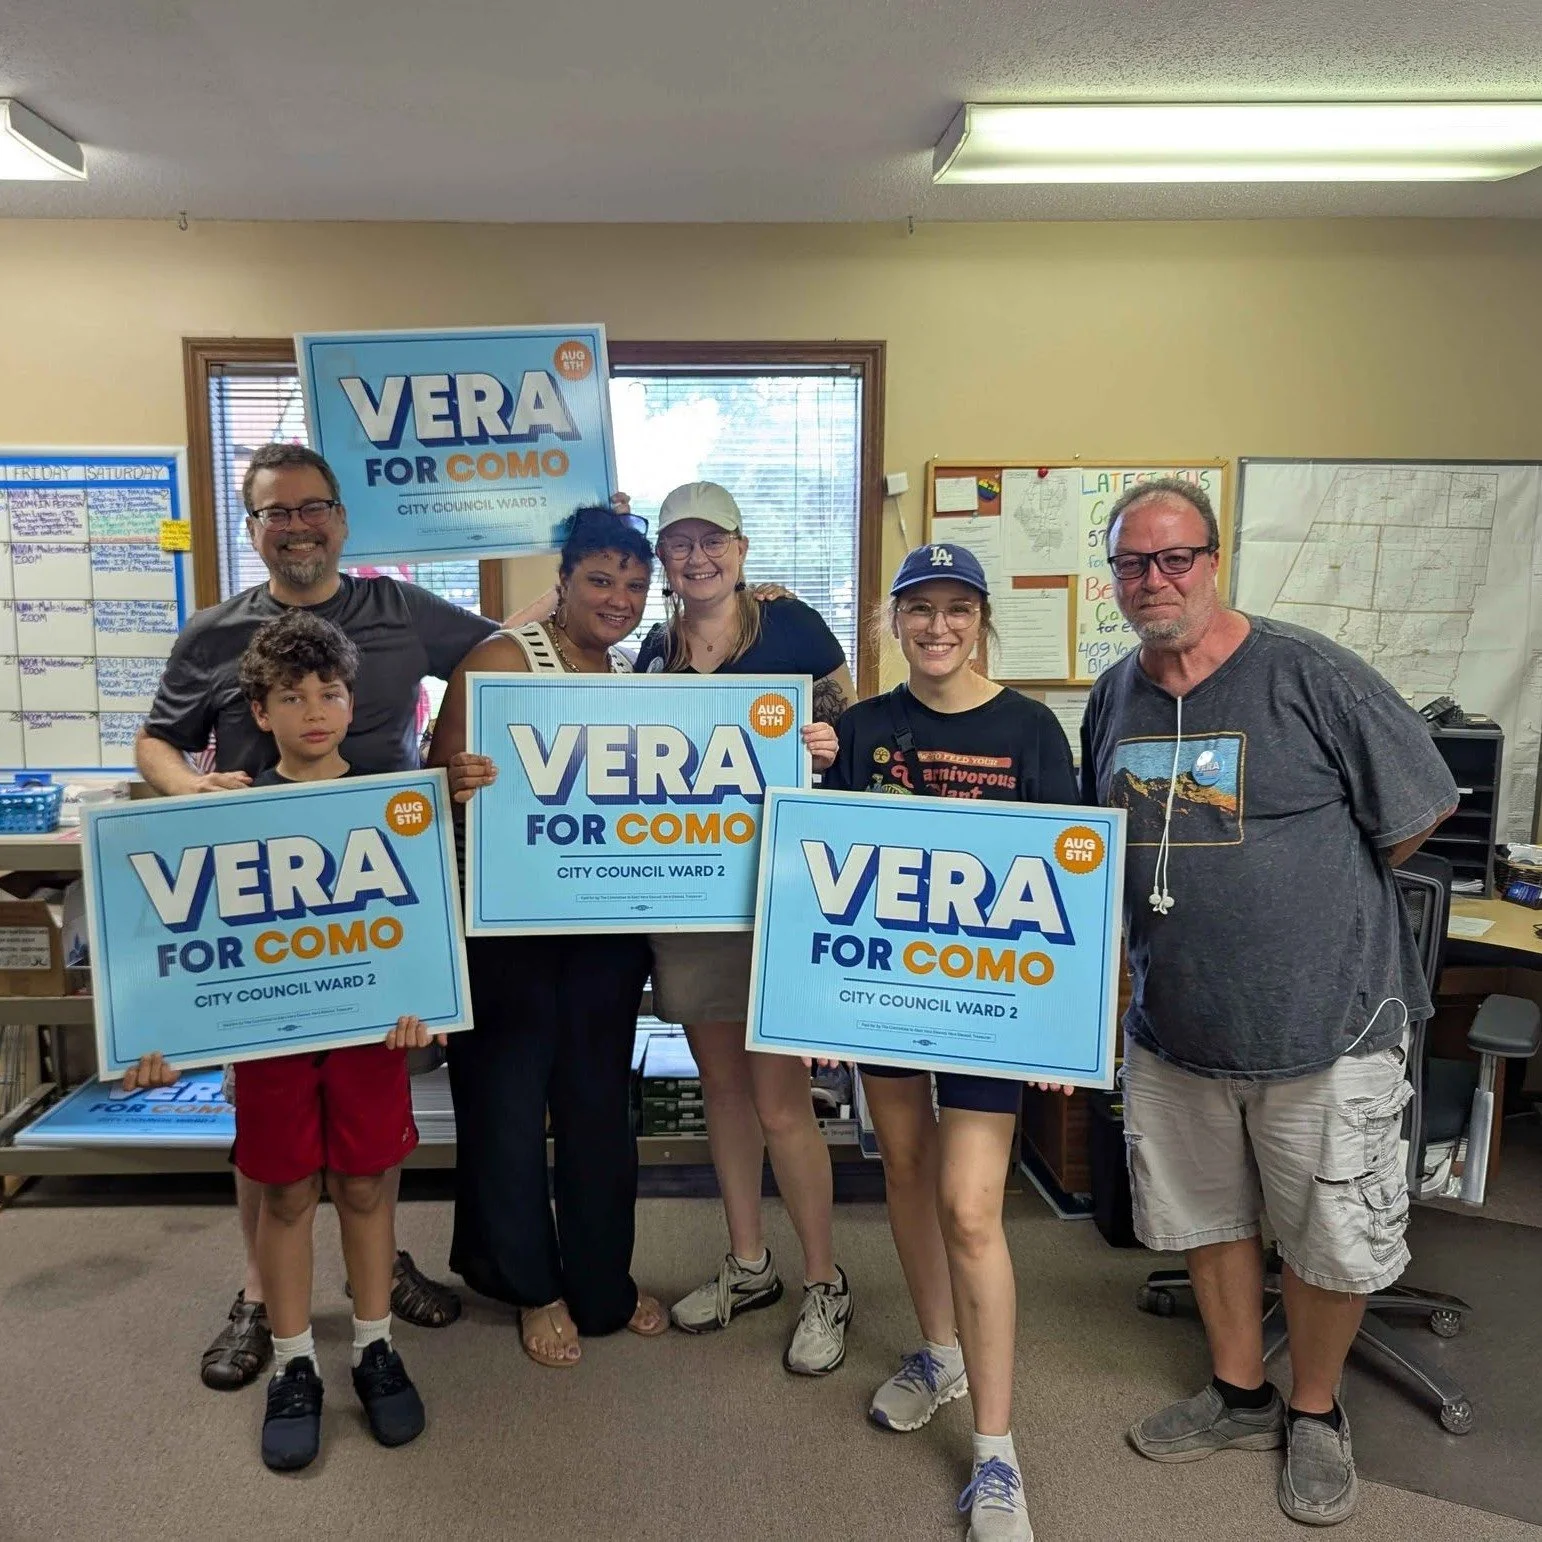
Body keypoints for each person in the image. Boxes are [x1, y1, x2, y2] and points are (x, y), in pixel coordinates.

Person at [1080, 477, 1458, 1528]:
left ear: (1214, 559)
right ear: (1114, 577)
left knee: (1331, 1239)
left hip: (1328, 1026)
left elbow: (1416, 815)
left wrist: (1301, 901)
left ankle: (1317, 1410)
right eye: (1131, 563)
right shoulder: (1115, 694)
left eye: (1174, 558)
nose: (1153, 580)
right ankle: (1242, 1392)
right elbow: (1101, 844)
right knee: (1209, 1220)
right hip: (1177, 1027)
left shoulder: (1310, 673)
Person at [135, 442, 509, 1389]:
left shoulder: (396, 608)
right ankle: (260, 1294)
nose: (297, 526)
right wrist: (189, 792)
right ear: (251, 526)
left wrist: (450, 748)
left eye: (313, 508)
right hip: (259, 910)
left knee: (368, 1127)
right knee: (267, 1125)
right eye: (275, 513)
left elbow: (496, 649)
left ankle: (374, 1277)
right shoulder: (214, 632)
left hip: (378, 896)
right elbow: (156, 742)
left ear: (341, 518)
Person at [804, 542, 1077, 1542]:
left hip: (989, 1004)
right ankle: (939, 1352)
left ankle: (997, 1455)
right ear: (893, 620)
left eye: (957, 609)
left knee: (970, 1208)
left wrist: (1063, 1023)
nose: (937, 627)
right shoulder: (859, 729)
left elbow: (1068, 886)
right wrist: (812, 1010)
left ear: (981, 618)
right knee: (909, 1174)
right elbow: (820, 874)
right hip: (883, 997)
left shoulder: (1031, 729)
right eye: (918, 609)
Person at [128, 609, 442, 1471]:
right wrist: (162, 1037)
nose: (314, 710)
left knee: (370, 1188)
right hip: (267, 1041)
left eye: (330, 693)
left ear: (354, 701)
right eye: (292, 696)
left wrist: (425, 1003)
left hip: (368, 1037)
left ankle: (374, 1347)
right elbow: (180, 941)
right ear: (258, 713)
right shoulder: (223, 810)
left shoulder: (392, 799)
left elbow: (420, 926)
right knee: (290, 1195)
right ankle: (296, 1360)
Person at [427, 506, 668, 1367]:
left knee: (601, 1107)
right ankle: (530, 1283)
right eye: (601, 580)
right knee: (506, 1107)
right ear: (562, 582)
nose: (619, 598)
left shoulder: (634, 676)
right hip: (507, 933)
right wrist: (453, 776)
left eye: (636, 585)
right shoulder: (499, 659)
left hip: (603, 932)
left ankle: (603, 1279)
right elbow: (437, 787)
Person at [635, 481, 858, 1375]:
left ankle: (824, 1281)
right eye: (678, 543)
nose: (697, 557)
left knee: (778, 1101)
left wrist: (825, 741)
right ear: (663, 561)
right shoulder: (653, 654)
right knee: (722, 1090)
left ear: (742, 545)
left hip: (780, 896)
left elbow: (850, 714)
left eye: (712, 540)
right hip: (693, 903)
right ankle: (749, 1262)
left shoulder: (792, 628)